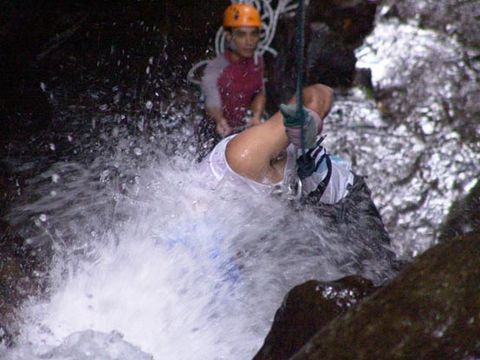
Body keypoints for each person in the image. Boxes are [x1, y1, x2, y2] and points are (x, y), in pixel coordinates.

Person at [198, 83, 397, 278]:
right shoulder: (222, 239)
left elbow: (319, 93)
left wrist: (310, 118)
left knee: (381, 277)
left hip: (343, 202)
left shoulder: (244, 157)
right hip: (296, 221)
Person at [199, 3, 266, 150]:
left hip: (240, 131)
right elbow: (212, 102)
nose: (249, 41)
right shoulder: (215, 68)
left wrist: (256, 116)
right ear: (229, 36)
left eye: (254, 33)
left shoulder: (257, 62)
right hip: (214, 132)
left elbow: (259, 93)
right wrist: (219, 120)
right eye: (242, 34)